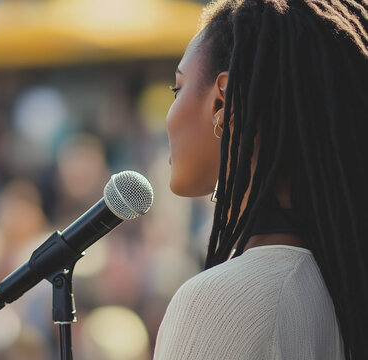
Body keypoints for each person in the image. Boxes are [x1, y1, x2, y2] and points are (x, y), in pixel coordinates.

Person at [154, 0, 368, 359]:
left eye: (177, 89)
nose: (168, 116)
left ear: (223, 103)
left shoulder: (223, 301)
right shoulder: (342, 284)